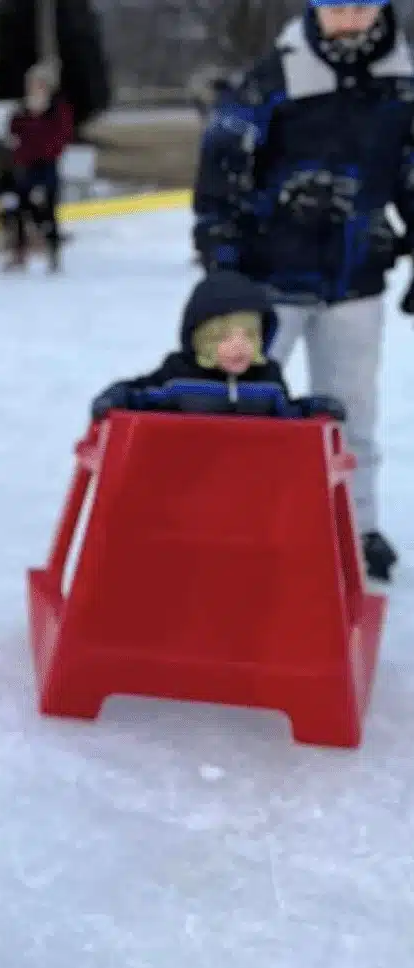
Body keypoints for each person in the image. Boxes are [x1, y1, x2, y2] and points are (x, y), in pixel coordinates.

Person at [194, 0, 414, 581]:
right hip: (270, 277)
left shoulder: (404, 84)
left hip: (356, 275)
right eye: (335, 7)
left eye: (361, 7)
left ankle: (356, 526)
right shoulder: (274, 77)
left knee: (352, 411)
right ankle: (224, 523)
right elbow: (221, 169)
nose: (349, 20)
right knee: (236, 399)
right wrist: (223, 258)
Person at [92, 271, 347, 423]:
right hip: (186, 487)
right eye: (223, 338)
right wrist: (114, 398)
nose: (240, 347)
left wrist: (316, 408)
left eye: (249, 336)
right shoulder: (178, 376)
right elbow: (138, 396)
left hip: (247, 491)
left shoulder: (267, 381)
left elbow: (290, 415)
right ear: (202, 340)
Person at [4, 63, 72, 272]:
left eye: (38, 84)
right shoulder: (23, 109)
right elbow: (14, 130)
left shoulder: (56, 108)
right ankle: (20, 252)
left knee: (48, 207)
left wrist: (48, 149)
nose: (33, 88)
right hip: (26, 163)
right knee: (20, 206)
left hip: (47, 163)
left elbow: (62, 134)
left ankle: (53, 251)